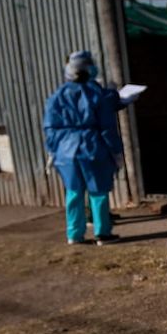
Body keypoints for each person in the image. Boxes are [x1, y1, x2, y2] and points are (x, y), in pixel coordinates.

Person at [43, 50, 124, 245]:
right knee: (98, 192)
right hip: (92, 147)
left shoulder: (57, 96)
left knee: (73, 192)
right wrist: (116, 151)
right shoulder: (96, 95)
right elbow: (107, 127)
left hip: (65, 150)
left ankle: (74, 235)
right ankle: (102, 233)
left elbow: (49, 127)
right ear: (89, 68)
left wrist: (53, 150)